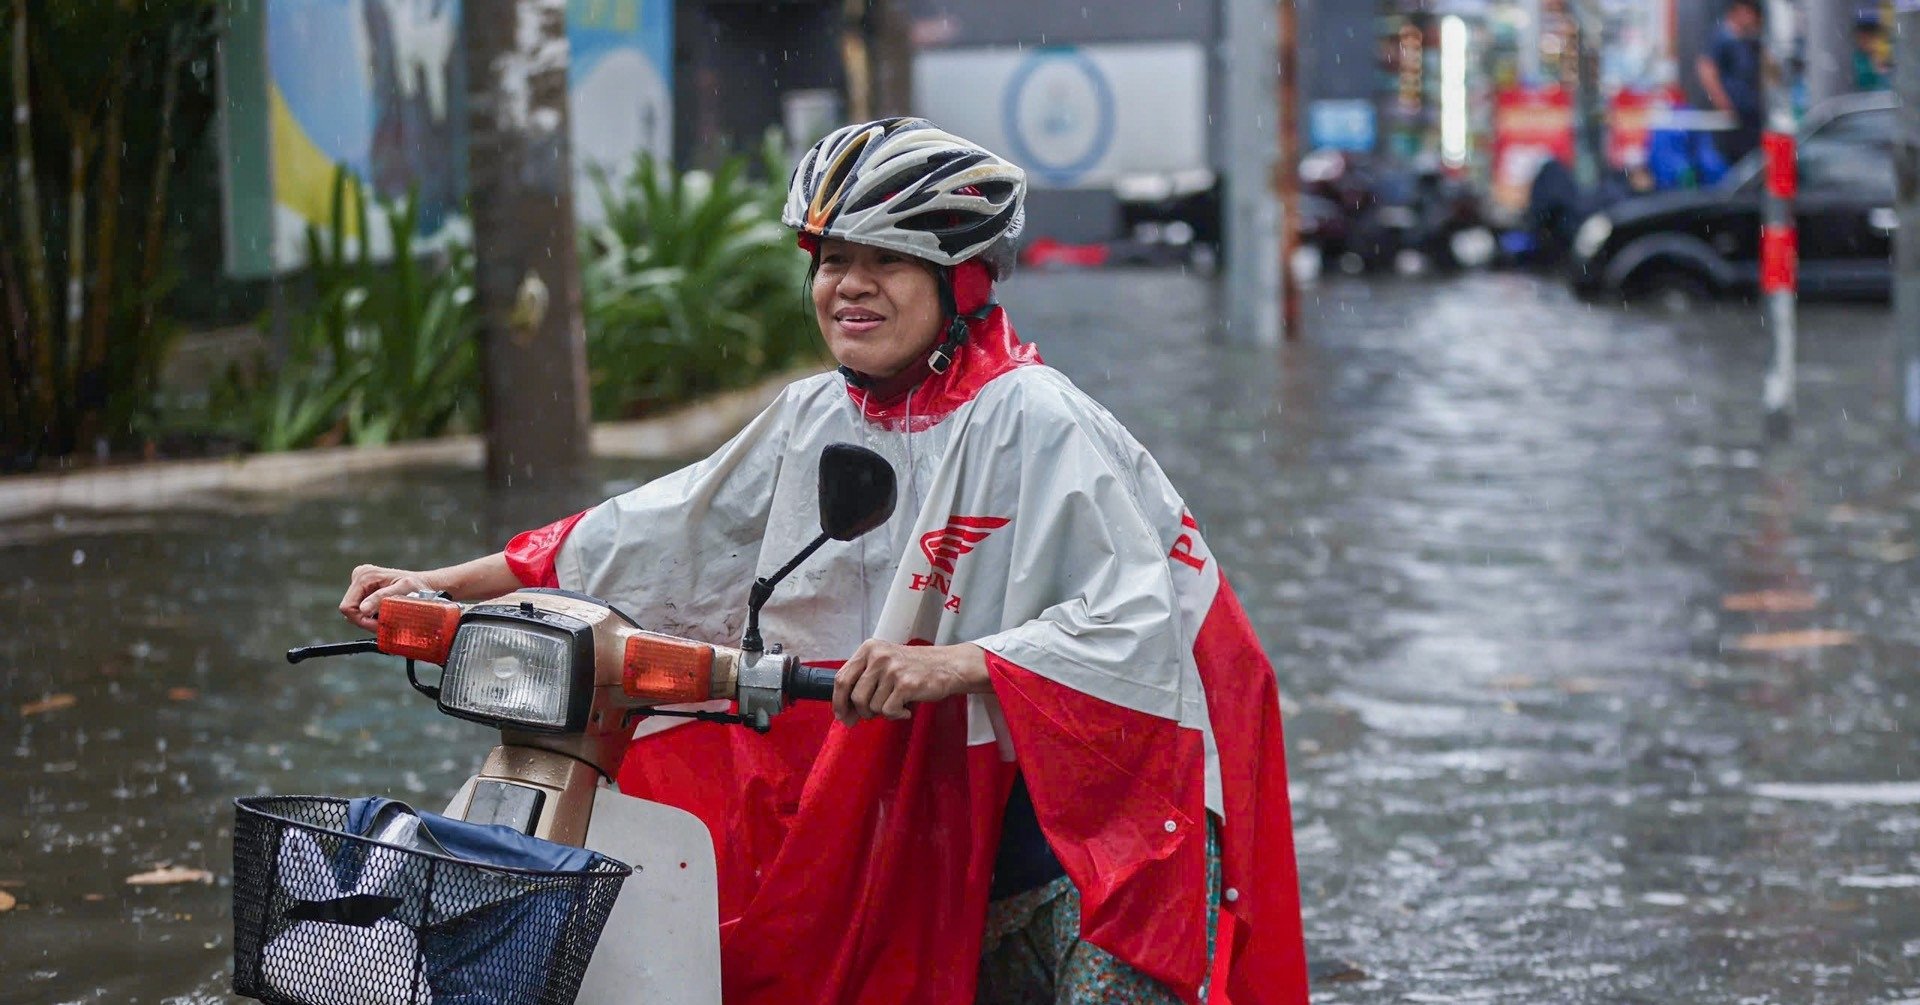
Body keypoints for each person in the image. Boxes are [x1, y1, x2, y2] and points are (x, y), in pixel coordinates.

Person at [340, 118, 1307, 1005]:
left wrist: (959, 660)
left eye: (888, 259)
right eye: (833, 258)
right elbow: (651, 529)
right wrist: (439, 585)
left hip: (1080, 820)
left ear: (961, 281)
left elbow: (1136, 621)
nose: (850, 283)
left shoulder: (1034, 417)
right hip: (911, 793)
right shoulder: (815, 415)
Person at [1696, 0, 1764, 166]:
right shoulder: (1722, 38)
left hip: (1750, 113)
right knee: (1732, 159)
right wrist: (1724, 103)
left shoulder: (1749, 40)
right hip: (1732, 115)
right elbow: (1706, 70)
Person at [1853, 17, 1888, 92]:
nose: (1862, 42)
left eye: (1866, 38)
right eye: (1860, 38)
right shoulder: (1859, 58)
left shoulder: (1885, 55)